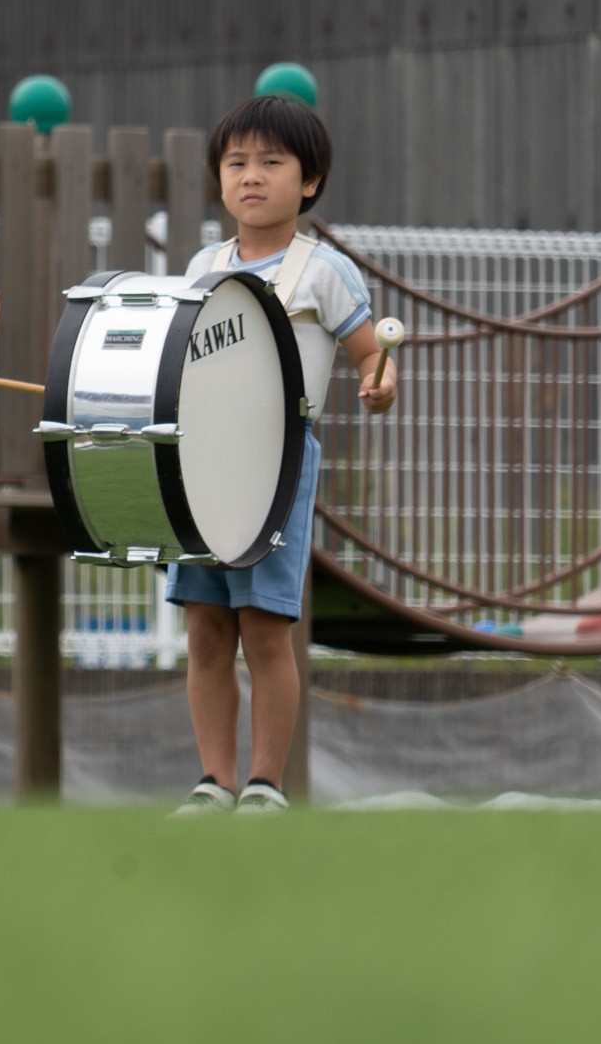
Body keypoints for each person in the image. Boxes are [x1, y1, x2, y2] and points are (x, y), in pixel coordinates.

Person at [167, 94, 395, 817]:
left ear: (311, 181)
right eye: (237, 163)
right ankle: (214, 781)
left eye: (271, 162)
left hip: (278, 464)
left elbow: (371, 358)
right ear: (219, 178)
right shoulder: (203, 264)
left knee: (265, 628)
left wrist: (379, 382)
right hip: (197, 463)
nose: (251, 177)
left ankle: (265, 785)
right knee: (205, 627)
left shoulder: (324, 271)